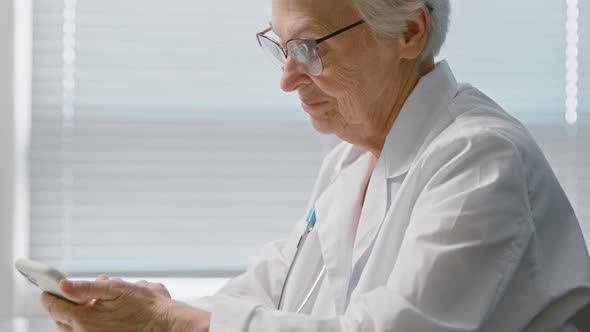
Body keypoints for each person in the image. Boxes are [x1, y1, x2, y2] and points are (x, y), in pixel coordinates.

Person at [41, 0, 590, 331]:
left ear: (409, 32)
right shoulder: (350, 161)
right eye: (281, 48)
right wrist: (145, 310)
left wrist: (168, 322)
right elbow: (269, 293)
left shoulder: (481, 159)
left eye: (309, 47)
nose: (287, 77)